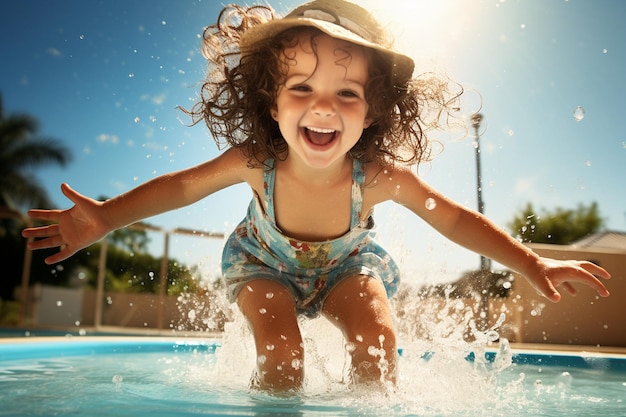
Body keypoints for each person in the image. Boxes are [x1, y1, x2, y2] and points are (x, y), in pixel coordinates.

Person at [22, 0, 610, 393]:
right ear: (271, 104)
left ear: (374, 110)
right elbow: (180, 188)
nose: (323, 105)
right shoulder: (257, 161)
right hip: (261, 266)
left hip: (348, 268)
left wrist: (529, 261)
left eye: (346, 93)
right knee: (282, 354)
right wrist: (104, 219)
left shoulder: (377, 174)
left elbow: (454, 221)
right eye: (301, 88)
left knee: (378, 347)